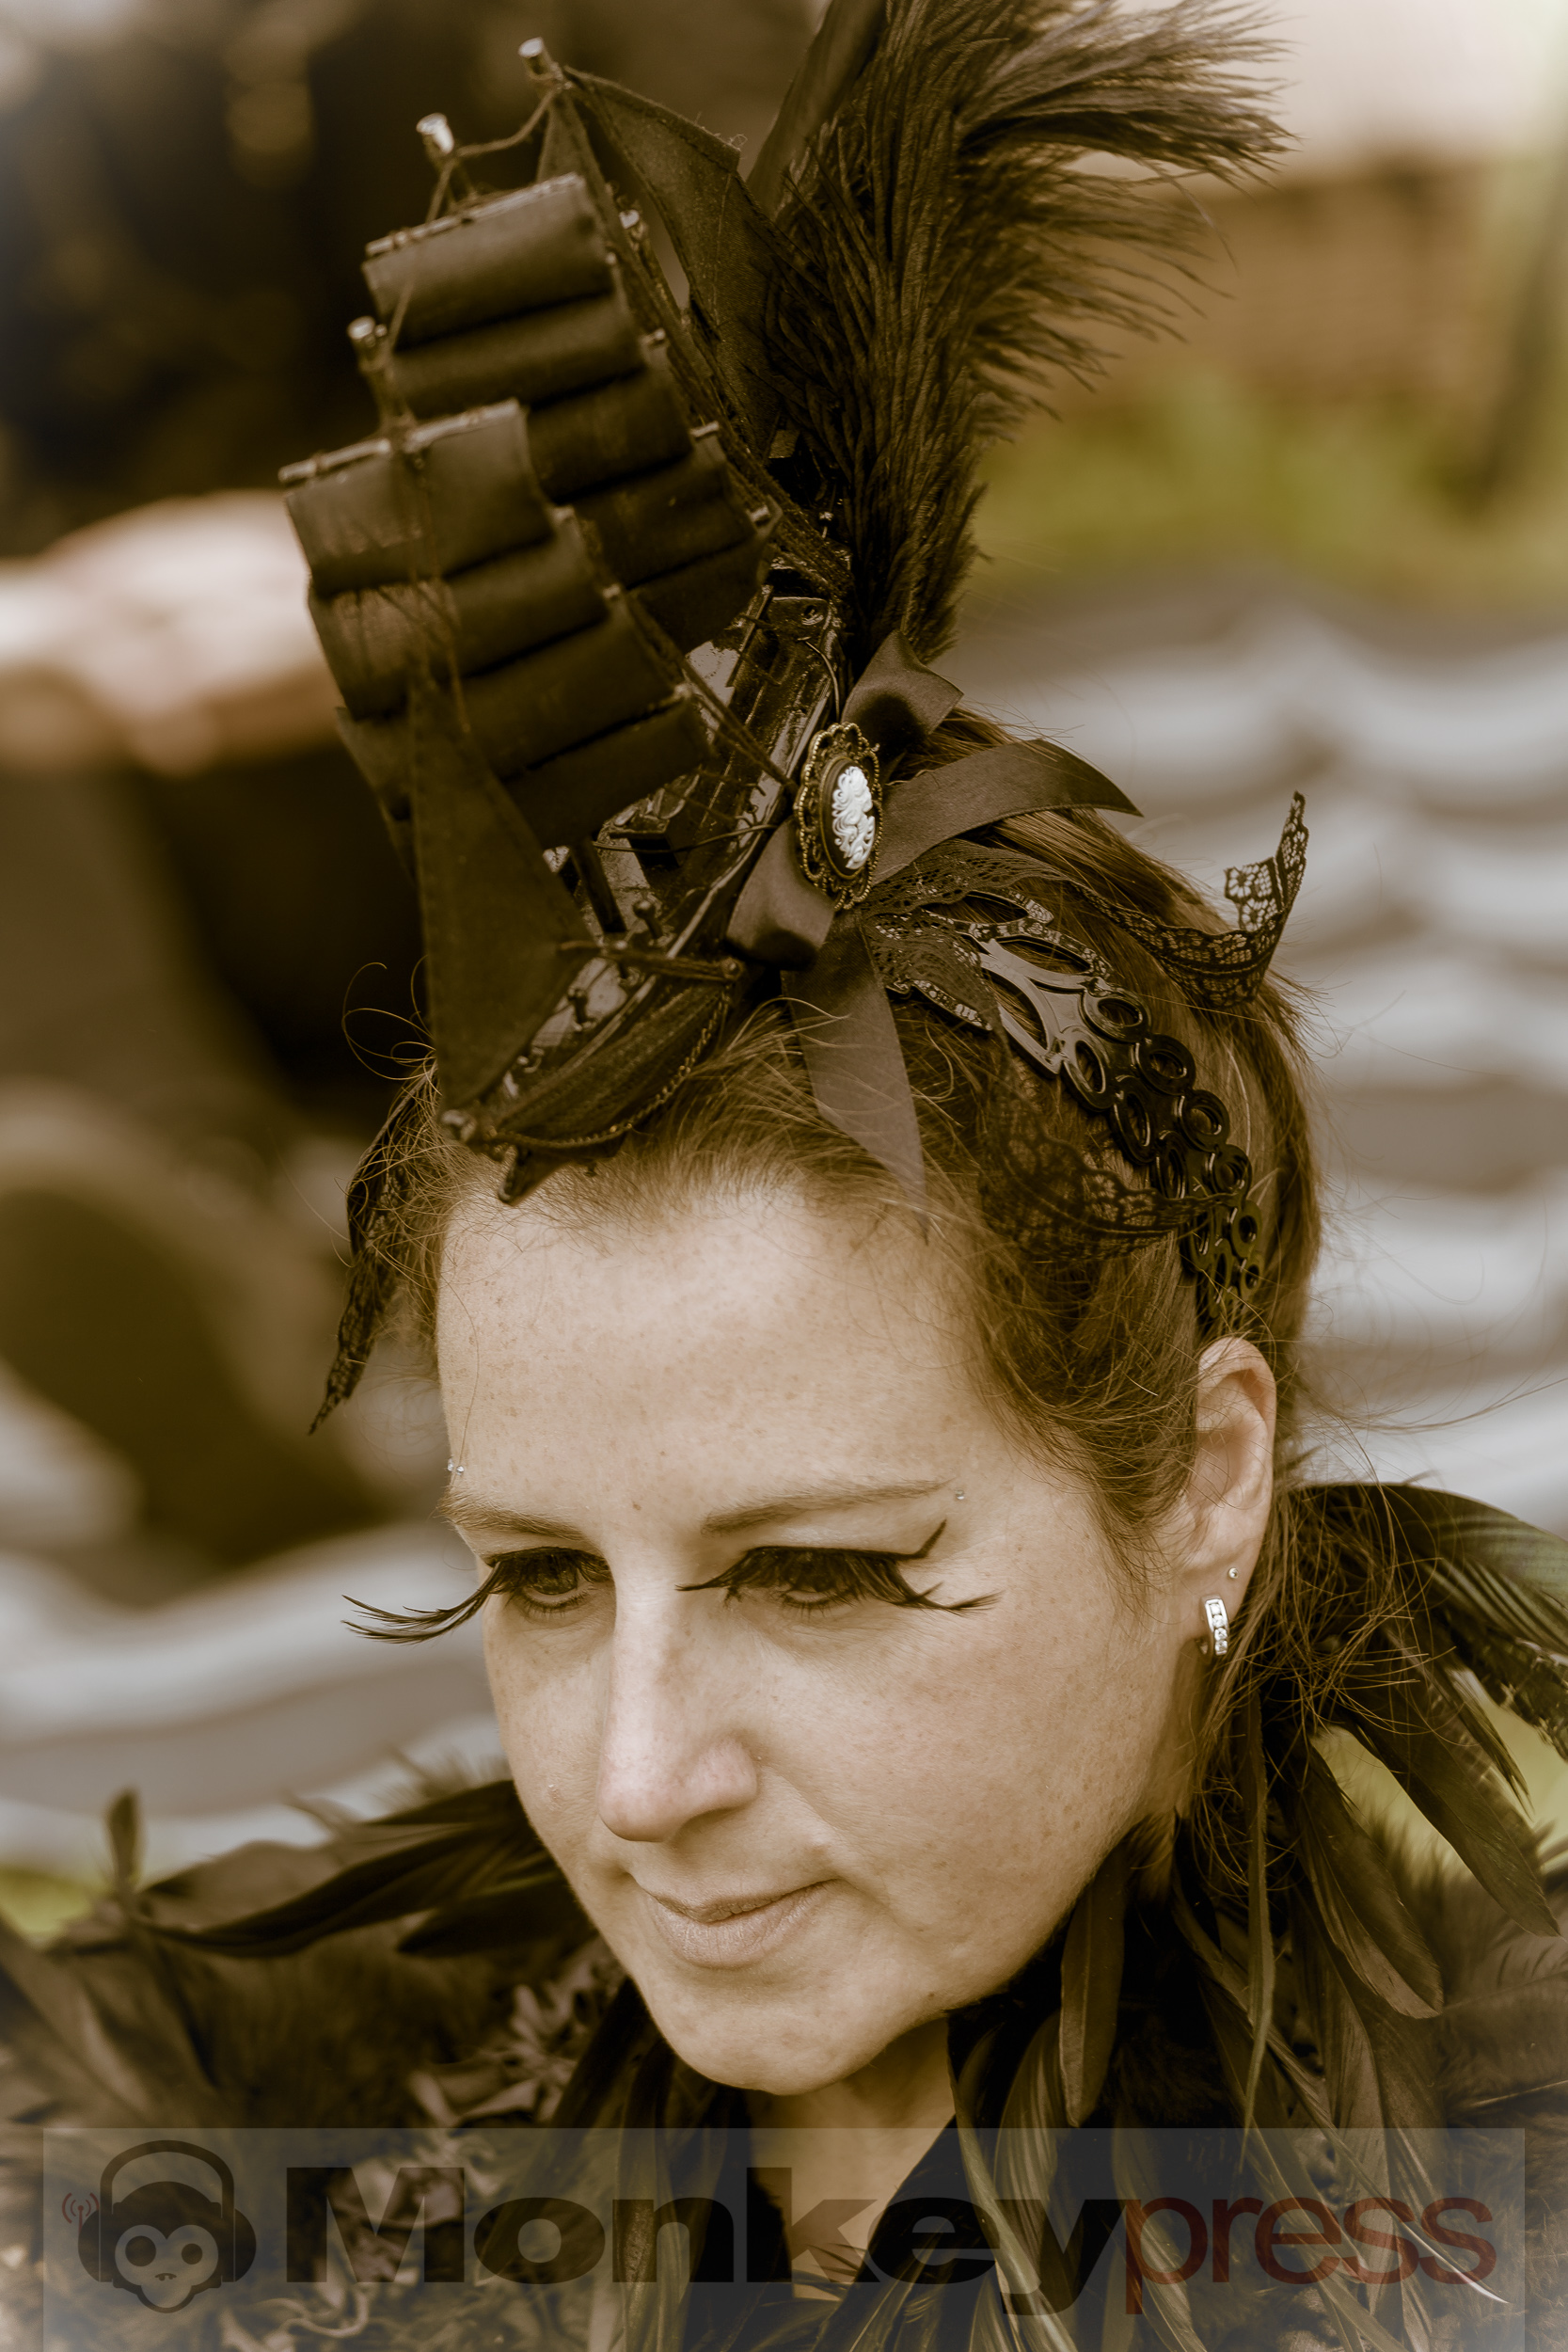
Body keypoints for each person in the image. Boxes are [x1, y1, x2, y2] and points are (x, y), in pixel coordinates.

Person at [4, 1, 1567, 2344]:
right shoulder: (235, 2162)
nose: (634, 1786)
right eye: (531, 1580)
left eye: (822, 1574)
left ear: (1213, 1476)